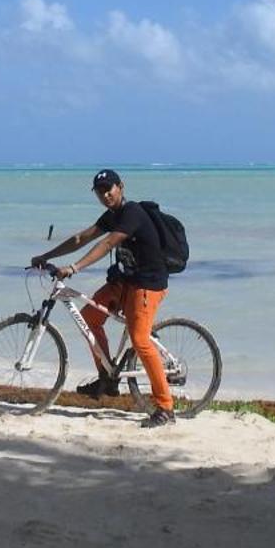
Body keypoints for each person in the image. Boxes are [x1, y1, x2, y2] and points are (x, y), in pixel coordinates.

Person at [28, 168, 175, 428]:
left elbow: (107, 244)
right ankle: (107, 379)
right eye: (100, 191)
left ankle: (165, 407)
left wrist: (74, 268)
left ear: (121, 187)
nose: (105, 194)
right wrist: (47, 257)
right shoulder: (112, 215)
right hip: (124, 280)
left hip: (148, 283)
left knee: (140, 340)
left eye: (110, 189)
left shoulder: (132, 214)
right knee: (90, 318)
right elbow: (81, 238)